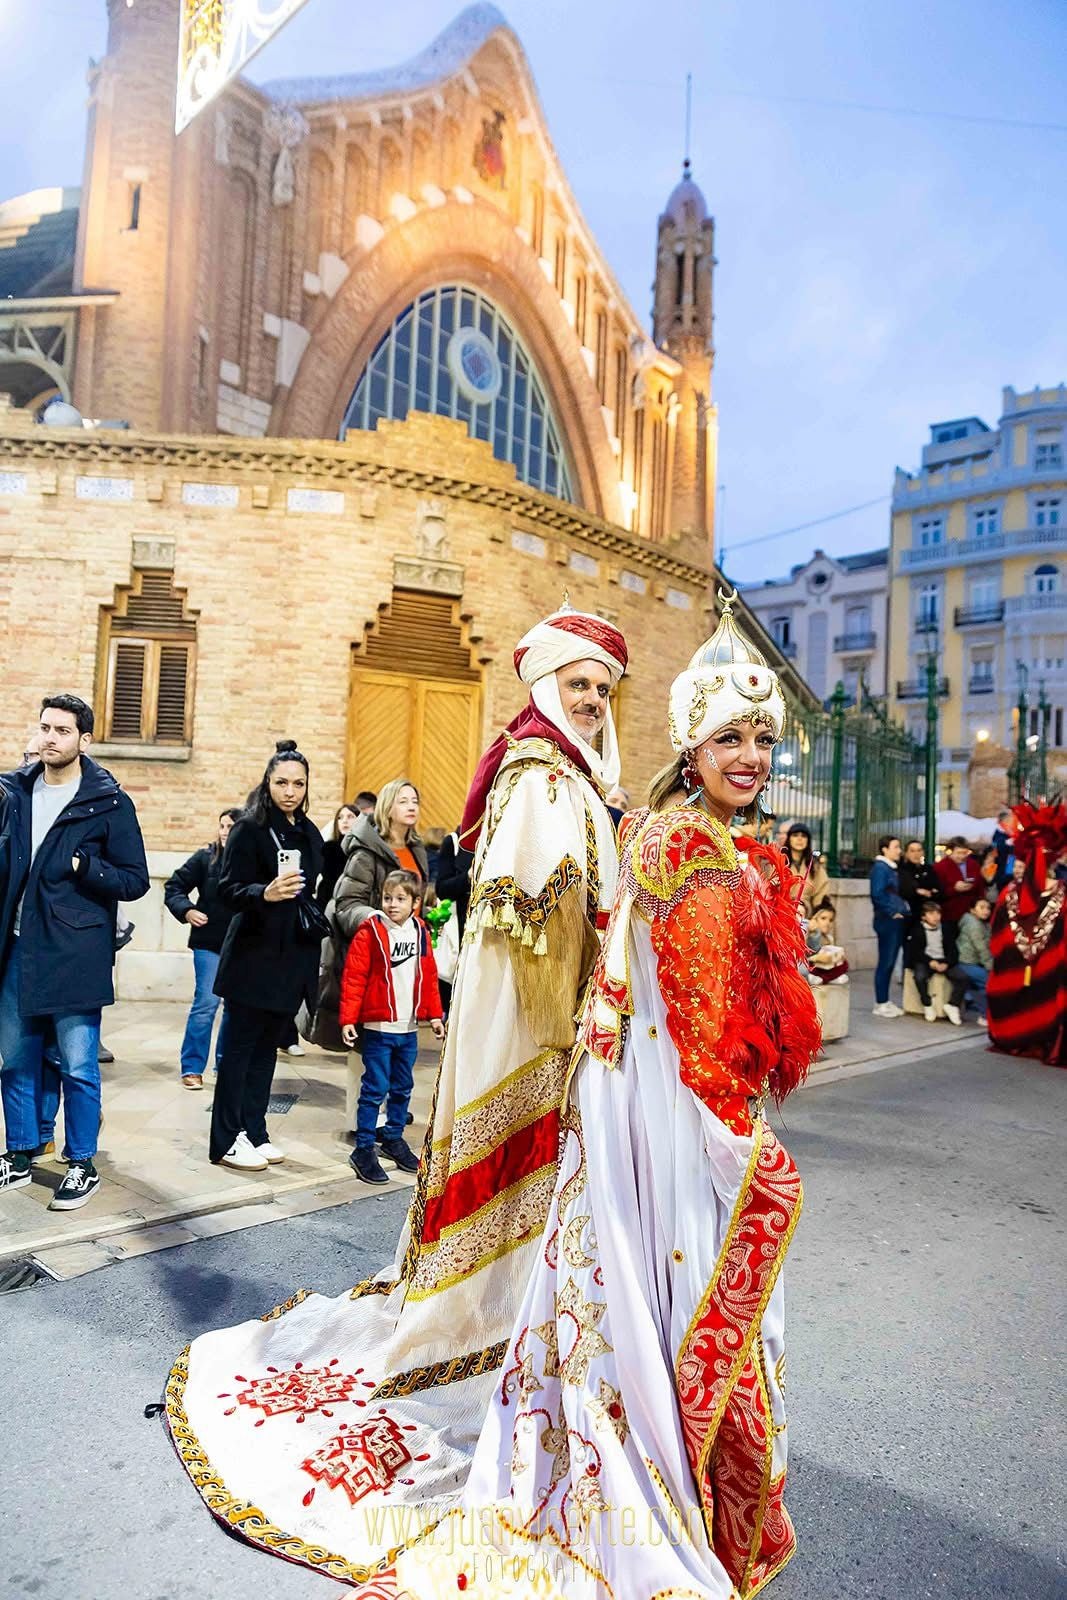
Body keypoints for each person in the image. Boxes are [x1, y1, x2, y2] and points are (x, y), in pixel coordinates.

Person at [168, 605, 628, 1580]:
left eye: (601, 688)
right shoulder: (543, 776)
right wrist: (592, 995)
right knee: (525, 1192)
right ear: (546, 687)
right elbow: (539, 920)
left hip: (544, 1025)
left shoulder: (565, 771)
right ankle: (490, 1326)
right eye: (577, 683)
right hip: (535, 1035)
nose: (591, 700)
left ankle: (507, 1322)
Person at [382, 590, 821, 1593]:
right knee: (676, 1310)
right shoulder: (678, 847)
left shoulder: (721, 844)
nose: (749, 754)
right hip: (676, 1132)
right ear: (692, 745)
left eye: (760, 737)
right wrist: (740, 1149)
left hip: (664, 1113)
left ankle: (679, 1472)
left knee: (659, 1319)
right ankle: (669, 1488)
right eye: (729, 737)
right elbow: (703, 1035)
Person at [0, 694, 149, 1207]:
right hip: (17, 946)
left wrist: (89, 869)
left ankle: (81, 1162)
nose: (49, 738)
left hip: (75, 950)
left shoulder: (108, 801)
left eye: (62, 731)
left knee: (78, 1065)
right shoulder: (14, 791)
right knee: (15, 1059)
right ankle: (20, 1154)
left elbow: (135, 881)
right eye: (44, 728)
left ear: (84, 741)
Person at [208, 740, 323, 1171]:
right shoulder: (249, 829)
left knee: (266, 1051)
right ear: (267, 782)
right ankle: (226, 1139)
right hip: (252, 957)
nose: (290, 791)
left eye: (298, 783)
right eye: (281, 782)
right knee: (237, 1052)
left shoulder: (309, 833)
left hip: (291, 957)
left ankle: (254, 1130)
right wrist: (264, 892)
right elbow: (224, 890)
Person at [339, 868, 445, 1183]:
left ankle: (394, 1138)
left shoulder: (420, 932)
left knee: (402, 1087)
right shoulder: (370, 931)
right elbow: (354, 977)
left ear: (415, 902)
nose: (392, 904)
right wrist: (348, 1018)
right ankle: (363, 1148)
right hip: (379, 1028)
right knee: (374, 1089)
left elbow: (428, 976)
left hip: (408, 1028)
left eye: (400, 898)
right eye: (387, 898)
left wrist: (435, 1015)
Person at [310, 779, 429, 1052]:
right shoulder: (366, 852)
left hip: (406, 956)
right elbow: (347, 904)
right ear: (387, 807)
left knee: (397, 1048)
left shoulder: (416, 849)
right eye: (403, 801)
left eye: (415, 801)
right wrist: (379, 919)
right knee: (369, 1051)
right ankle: (363, 1098)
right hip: (374, 957)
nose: (412, 807)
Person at [163, 808, 242, 1089]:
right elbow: (174, 887)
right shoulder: (204, 858)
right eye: (221, 825)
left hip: (241, 945)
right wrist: (187, 911)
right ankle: (192, 1067)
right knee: (206, 1004)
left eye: (231, 826)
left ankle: (226, 1065)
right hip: (208, 942)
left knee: (235, 1007)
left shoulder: (249, 862)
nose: (224, 831)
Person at [987, 800, 1067, 1065]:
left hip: (1045, 970)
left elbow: (996, 940)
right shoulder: (1012, 894)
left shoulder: (1009, 894)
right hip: (1038, 970)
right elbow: (997, 938)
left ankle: (1023, 1034)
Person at [904, 901, 965, 1025]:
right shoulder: (917, 930)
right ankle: (927, 1004)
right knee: (920, 977)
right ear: (923, 916)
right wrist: (930, 961)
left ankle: (953, 1005)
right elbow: (915, 952)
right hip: (925, 960)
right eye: (931, 913)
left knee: (962, 978)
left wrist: (946, 963)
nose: (936, 917)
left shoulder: (946, 928)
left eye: (938, 913)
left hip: (942, 960)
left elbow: (953, 950)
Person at [869, 834, 908, 1017]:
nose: (899, 850)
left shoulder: (889, 868)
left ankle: (884, 1000)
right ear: (885, 849)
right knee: (886, 961)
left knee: (890, 961)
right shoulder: (881, 868)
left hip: (893, 920)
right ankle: (881, 1002)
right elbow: (877, 894)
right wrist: (893, 912)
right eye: (896, 847)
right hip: (887, 921)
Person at [313, 801, 358, 912]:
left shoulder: (361, 850)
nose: (345, 821)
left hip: (352, 902)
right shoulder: (329, 848)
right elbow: (327, 878)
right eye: (340, 818)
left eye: (350, 817)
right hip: (328, 900)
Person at [955, 895, 993, 1024]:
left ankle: (976, 1006)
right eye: (981, 907)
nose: (986, 911)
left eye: (988, 908)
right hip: (966, 962)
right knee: (988, 981)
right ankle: (984, 1015)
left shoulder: (983, 924)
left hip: (974, 962)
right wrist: (990, 967)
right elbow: (981, 948)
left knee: (979, 984)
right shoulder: (973, 925)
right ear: (972, 910)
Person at [783, 820, 829, 917]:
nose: (800, 839)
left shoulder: (815, 866)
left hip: (807, 915)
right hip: (781, 913)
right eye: (795, 835)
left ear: (808, 840)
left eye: (803, 836)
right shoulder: (780, 862)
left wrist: (816, 916)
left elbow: (821, 894)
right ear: (789, 839)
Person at [934, 836, 982, 927]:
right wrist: (954, 889)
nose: (962, 856)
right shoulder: (940, 867)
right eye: (958, 853)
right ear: (950, 851)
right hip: (949, 916)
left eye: (964, 853)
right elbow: (937, 892)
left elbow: (980, 888)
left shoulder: (974, 865)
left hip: (971, 915)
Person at [806, 895, 850, 984]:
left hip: (825, 967)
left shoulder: (829, 938)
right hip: (813, 965)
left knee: (844, 964)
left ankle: (824, 979)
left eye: (831, 920)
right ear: (814, 918)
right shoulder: (810, 935)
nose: (827, 923)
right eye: (823, 918)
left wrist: (837, 957)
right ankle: (824, 978)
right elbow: (807, 956)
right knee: (808, 967)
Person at [898, 837, 940, 923]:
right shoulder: (902, 870)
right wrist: (917, 891)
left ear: (923, 852)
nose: (916, 854)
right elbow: (905, 891)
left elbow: (938, 889)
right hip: (911, 915)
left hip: (929, 916)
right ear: (906, 853)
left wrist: (927, 892)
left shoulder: (928, 869)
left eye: (919, 850)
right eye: (912, 851)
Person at [991, 808, 1015, 889]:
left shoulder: (1009, 834)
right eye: (1011, 820)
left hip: (1010, 872)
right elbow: (995, 853)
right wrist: (1007, 843)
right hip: (1002, 873)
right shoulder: (998, 835)